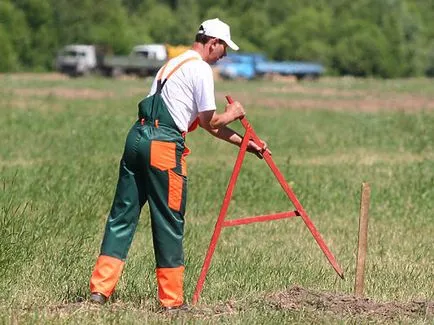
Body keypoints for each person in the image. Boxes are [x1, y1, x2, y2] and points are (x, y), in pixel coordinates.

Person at [89, 18, 267, 310]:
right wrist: (234, 112)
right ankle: (171, 302)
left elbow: (203, 124)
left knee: (122, 215)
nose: (222, 57)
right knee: (169, 220)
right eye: (222, 50)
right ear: (212, 43)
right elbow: (210, 121)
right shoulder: (200, 69)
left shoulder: (173, 64)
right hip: (163, 146)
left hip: (136, 138)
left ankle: (99, 291)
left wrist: (247, 144)